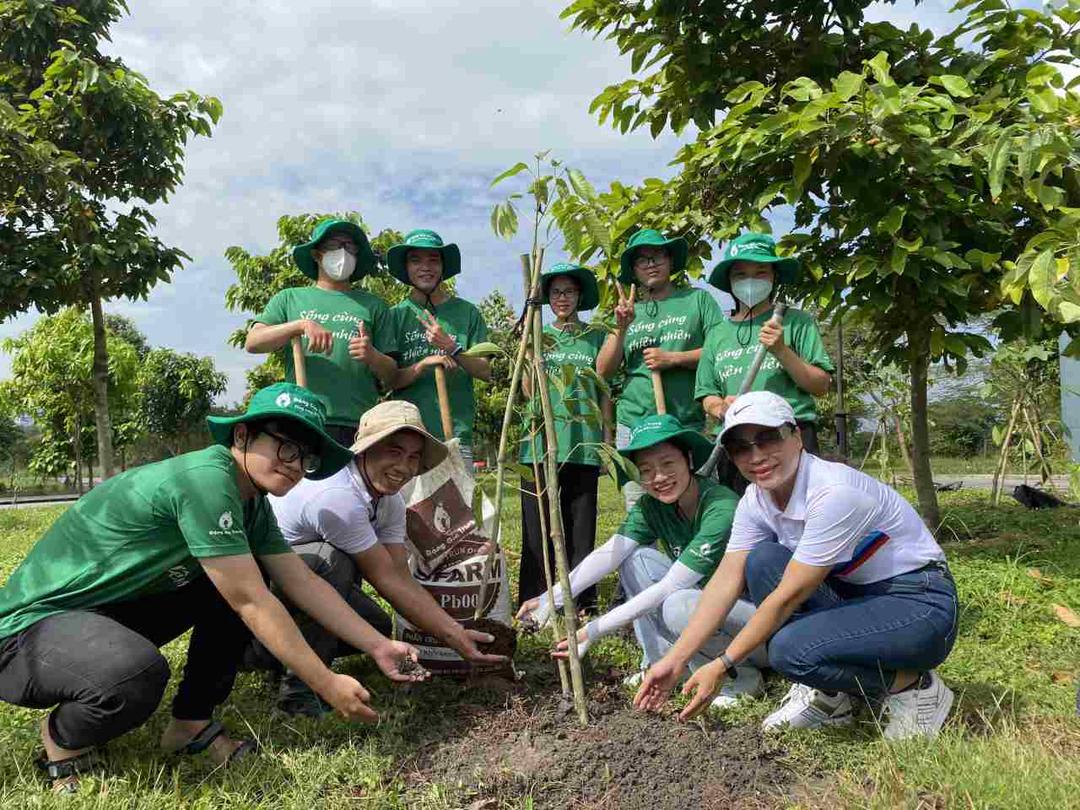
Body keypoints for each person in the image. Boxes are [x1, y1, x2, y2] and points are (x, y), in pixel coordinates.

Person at [0, 383, 424, 794]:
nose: (296, 464)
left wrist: (378, 646)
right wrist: (326, 683)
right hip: (26, 632)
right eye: (286, 446)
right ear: (242, 434)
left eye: (307, 456)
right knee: (137, 671)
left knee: (240, 579)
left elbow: (303, 580)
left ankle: (189, 724)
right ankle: (63, 740)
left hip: (105, 614)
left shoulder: (250, 502)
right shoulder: (207, 481)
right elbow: (251, 601)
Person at [634, 391, 958, 739]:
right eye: (741, 447)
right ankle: (832, 697)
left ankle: (913, 687)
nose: (755, 456)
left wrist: (722, 664)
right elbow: (727, 579)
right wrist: (677, 659)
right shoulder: (756, 499)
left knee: (790, 651)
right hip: (858, 596)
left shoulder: (834, 492)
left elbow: (787, 597)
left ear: (796, 436)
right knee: (763, 560)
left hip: (920, 605)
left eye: (767, 438)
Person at [259, 400, 508, 716]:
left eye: (413, 457)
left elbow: (400, 576)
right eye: (393, 451)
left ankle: (282, 654)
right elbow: (385, 578)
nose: (404, 467)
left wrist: (456, 634)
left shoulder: (388, 501)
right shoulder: (338, 497)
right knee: (333, 561)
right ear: (365, 449)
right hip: (266, 582)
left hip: (300, 587)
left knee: (374, 623)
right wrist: (452, 636)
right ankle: (298, 690)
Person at [517, 414, 767, 708]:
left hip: (755, 627)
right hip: (707, 608)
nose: (658, 477)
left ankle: (742, 676)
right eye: (646, 470)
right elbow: (609, 554)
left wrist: (593, 631)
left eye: (667, 464)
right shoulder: (652, 507)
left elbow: (669, 587)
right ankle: (658, 662)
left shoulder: (720, 507)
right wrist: (551, 598)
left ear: (688, 459)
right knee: (636, 560)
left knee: (678, 604)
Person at [597, 229, 723, 509]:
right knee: (642, 508)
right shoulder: (625, 312)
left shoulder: (697, 301)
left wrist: (673, 359)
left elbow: (720, 351)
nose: (651, 263)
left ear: (669, 261)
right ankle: (645, 555)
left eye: (658, 256)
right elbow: (603, 370)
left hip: (686, 423)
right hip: (635, 423)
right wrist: (621, 328)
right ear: (634, 271)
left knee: (700, 502)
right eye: (643, 260)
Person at [246, 218, 398, 446]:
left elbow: (393, 376)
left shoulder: (374, 306)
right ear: (317, 254)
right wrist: (299, 325)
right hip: (303, 418)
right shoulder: (289, 298)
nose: (343, 252)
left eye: (349, 247)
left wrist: (372, 356)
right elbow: (253, 342)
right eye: (334, 245)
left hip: (360, 426)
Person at [518, 263, 606, 614]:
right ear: (547, 299)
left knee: (580, 528)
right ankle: (536, 598)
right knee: (537, 529)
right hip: (538, 442)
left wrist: (606, 437)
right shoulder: (537, 335)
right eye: (555, 293)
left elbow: (603, 388)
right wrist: (528, 349)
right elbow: (526, 392)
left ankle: (581, 600)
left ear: (580, 296)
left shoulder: (594, 335)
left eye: (569, 291)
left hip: (582, 440)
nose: (563, 298)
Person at [696, 232, 833, 454]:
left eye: (761, 273)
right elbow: (707, 393)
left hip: (789, 434)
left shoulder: (797, 322)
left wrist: (781, 351)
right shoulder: (716, 334)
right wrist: (720, 408)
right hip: (736, 438)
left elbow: (821, 385)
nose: (750, 281)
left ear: (774, 277)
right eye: (741, 274)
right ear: (729, 281)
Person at [384, 229, 490, 471]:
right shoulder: (395, 316)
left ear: (443, 266)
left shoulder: (467, 313)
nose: (425, 267)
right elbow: (389, 381)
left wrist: (452, 347)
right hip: (407, 436)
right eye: (416, 260)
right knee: (409, 510)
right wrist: (423, 365)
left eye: (433, 260)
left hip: (455, 436)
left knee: (456, 508)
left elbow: (485, 371)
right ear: (406, 268)